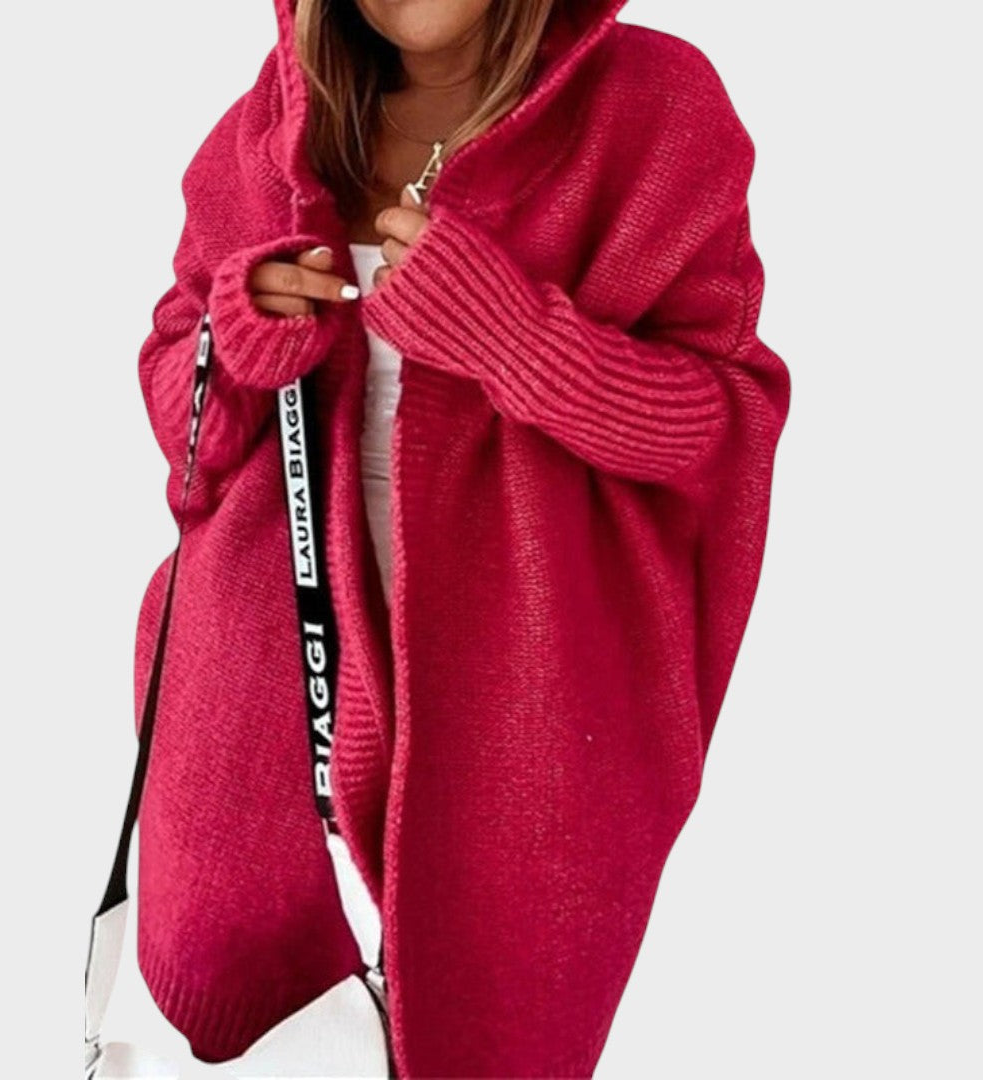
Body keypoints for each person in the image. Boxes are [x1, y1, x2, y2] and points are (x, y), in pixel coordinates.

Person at [131, 1, 791, 1077]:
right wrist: (236, 337)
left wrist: (511, 336)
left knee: (490, 1026)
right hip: (266, 683)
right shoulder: (273, 123)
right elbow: (187, 444)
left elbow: (717, 429)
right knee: (239, 1002)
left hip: (527, 695)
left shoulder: (651, 107)